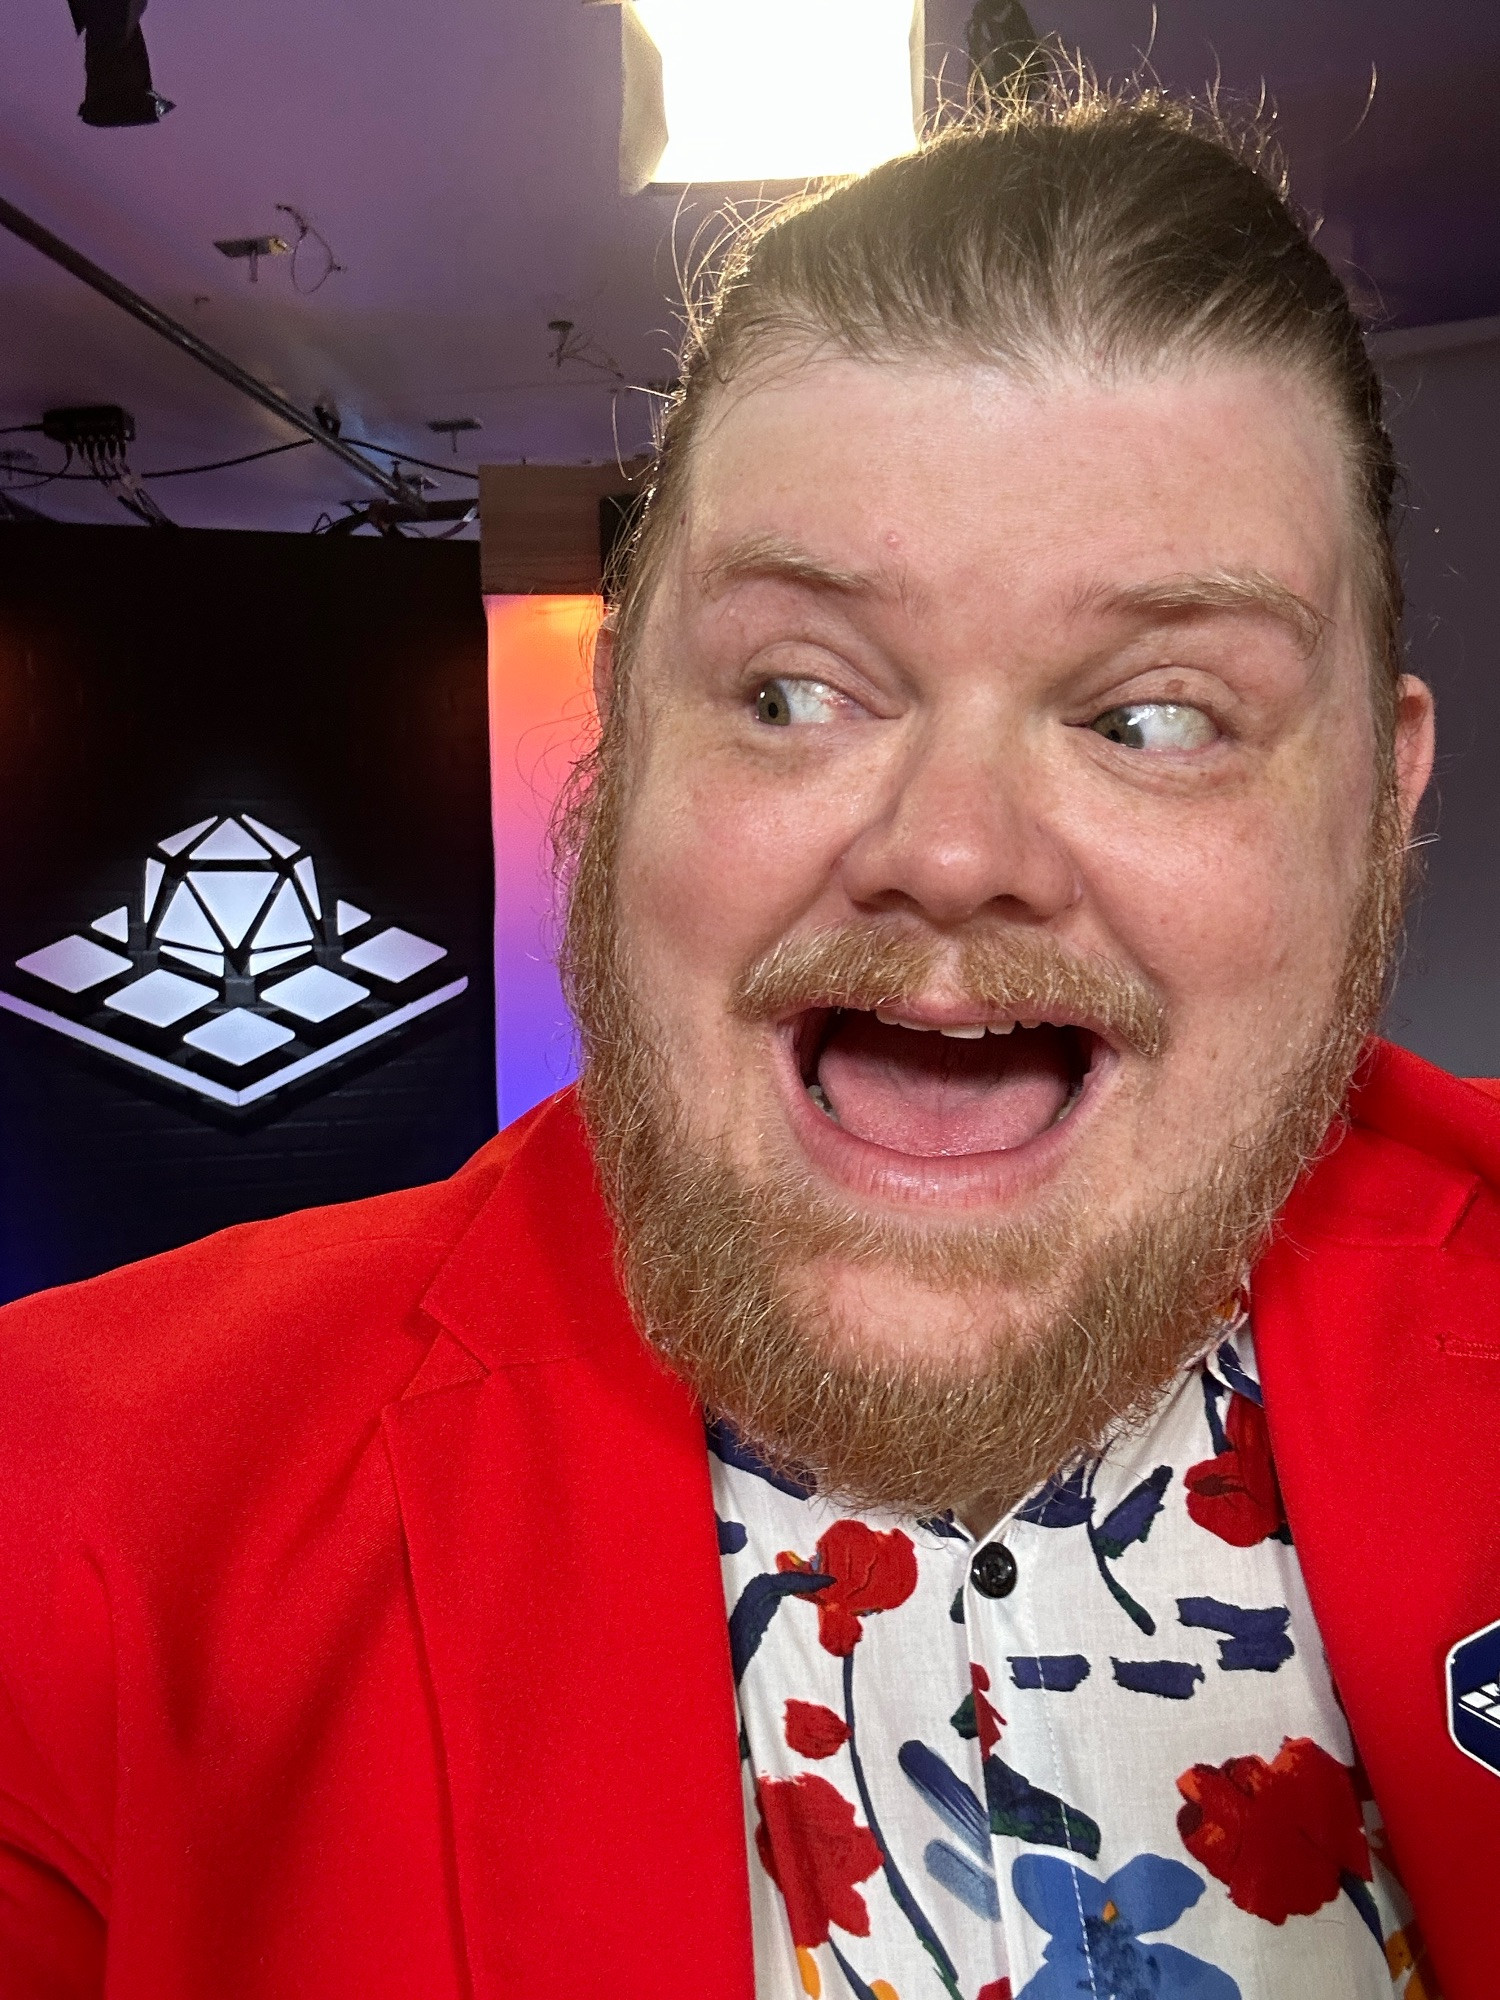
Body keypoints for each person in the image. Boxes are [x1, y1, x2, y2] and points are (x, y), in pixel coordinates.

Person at [0, 79, 1490, 2000]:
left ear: (1379, 802)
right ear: (625, 742)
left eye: (1155, 718)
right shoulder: (74, 1511)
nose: (952, 850)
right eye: (795, 689)